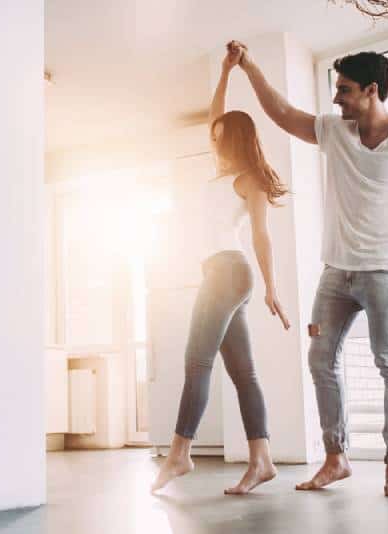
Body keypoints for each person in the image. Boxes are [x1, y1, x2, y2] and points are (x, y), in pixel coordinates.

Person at [228, 41, 388, 497]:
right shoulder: (335, 130)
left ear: (372, 90)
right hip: (335, 276)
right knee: (319, 358)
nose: (335, 99)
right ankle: (336, 458)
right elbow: (283, 113)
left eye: (344, 90)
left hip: (385, 274)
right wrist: (250, 66)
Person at [151, 44, 292, 496]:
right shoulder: (220, 169)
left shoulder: (247, 179)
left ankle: (179, 454)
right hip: (224, 274)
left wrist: (271, 287)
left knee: (197, 362)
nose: (210, 136)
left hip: (229, 274)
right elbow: (217, 111)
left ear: (227, 139)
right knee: (243, 373)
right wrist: (226, 71)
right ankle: (263, 460)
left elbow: (260, 235)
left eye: (216, 134)